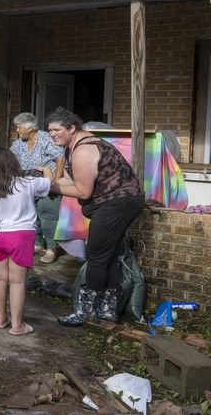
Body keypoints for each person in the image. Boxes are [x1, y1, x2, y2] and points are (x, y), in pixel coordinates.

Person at [46, 108, 145, 326]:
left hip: (116, 203)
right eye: (49, 130)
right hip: (124, 200)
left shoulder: (84, 150)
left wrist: (53, 187)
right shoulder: (76, 146)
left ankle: (86, 312)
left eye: (56, 129)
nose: (52, 134)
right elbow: (73, 184)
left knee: (96, 255)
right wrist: (45, 183)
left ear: (72, 128)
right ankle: (107, 311)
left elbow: (82, 192)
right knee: (108, 255)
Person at [0, 148, 52, 336]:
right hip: (21, 236)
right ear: (14, 164)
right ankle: (17, 325)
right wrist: (46, 168)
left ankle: (0, 318)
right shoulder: (28, 183)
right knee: (17, 282)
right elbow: (49, 183)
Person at [9, 112, 65, 264]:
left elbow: (60, 156)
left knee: (47, 215)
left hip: (45, 182)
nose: (17, 130)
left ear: (30, 127)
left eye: (19, 127)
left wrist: (57, 180)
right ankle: (39, 244)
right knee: (32, 215)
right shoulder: (19, 142)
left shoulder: (45, 138)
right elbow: (10, 158)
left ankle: (52, 249)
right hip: (27, 184)